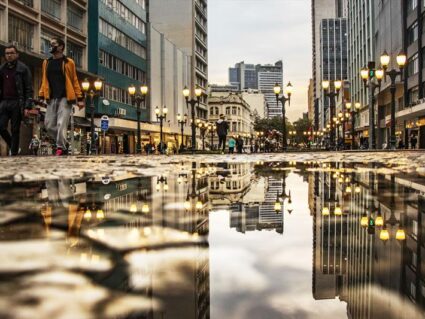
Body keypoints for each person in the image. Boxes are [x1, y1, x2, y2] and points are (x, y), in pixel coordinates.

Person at [38, 37, 84, 156]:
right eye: (51, 43)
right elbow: (44, 80)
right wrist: (41, 95)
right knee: (48, 125)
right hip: (51, 97)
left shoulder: (69, 62)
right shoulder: (46, 62)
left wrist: (79, 98)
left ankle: (60, 147)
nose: (51, 45)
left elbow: (74, 80)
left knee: (61, 123)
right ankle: (64, 143)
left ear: (61, 47)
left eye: (53, 44)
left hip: (65, 97)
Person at [0, 44, 34, 156]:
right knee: (1, 127)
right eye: (7, 53)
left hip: (17, 102)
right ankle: (13, 145)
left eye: (11, 53)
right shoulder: (2, 69)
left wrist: (27, 106)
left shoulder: (23, 69)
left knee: (15, 129)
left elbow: (29, 89)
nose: (9, 55)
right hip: (4, 102)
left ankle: (14, 153)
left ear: (17, 55)